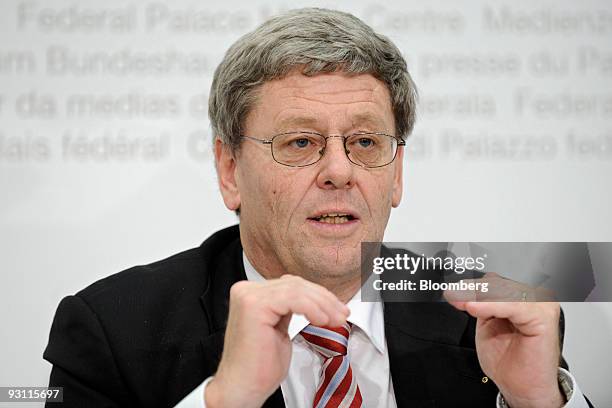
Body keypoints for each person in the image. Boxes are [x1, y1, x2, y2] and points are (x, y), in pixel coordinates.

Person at [44, 8, 592, 408]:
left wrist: (540, 403)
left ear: (397, 173)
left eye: (367, 142)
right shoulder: (112, 333)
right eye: (301, 142)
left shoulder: (486, 321)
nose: (339, 170)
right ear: (229, 170)